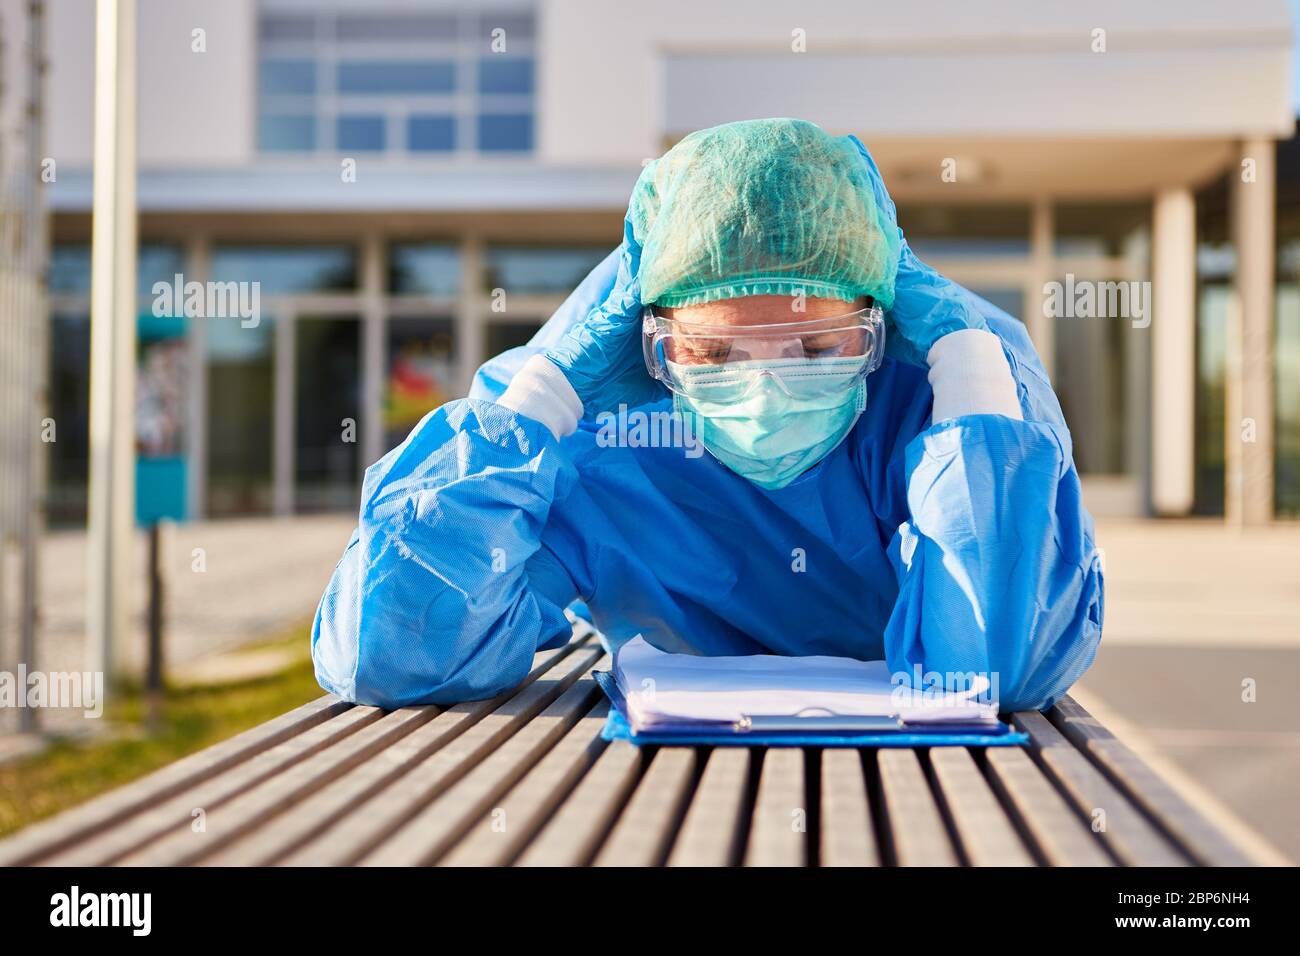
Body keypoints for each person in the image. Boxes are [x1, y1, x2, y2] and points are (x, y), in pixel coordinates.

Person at [311, 118, 1103, 713]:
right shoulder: (592, 429)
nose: (765, 390)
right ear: (648, 342)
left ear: (880, 325)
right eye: (715, 355)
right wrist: (544, 391)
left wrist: (972, 364)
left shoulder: (942, 399)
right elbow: (391, 650)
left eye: (818, 344)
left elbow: (997, 668)